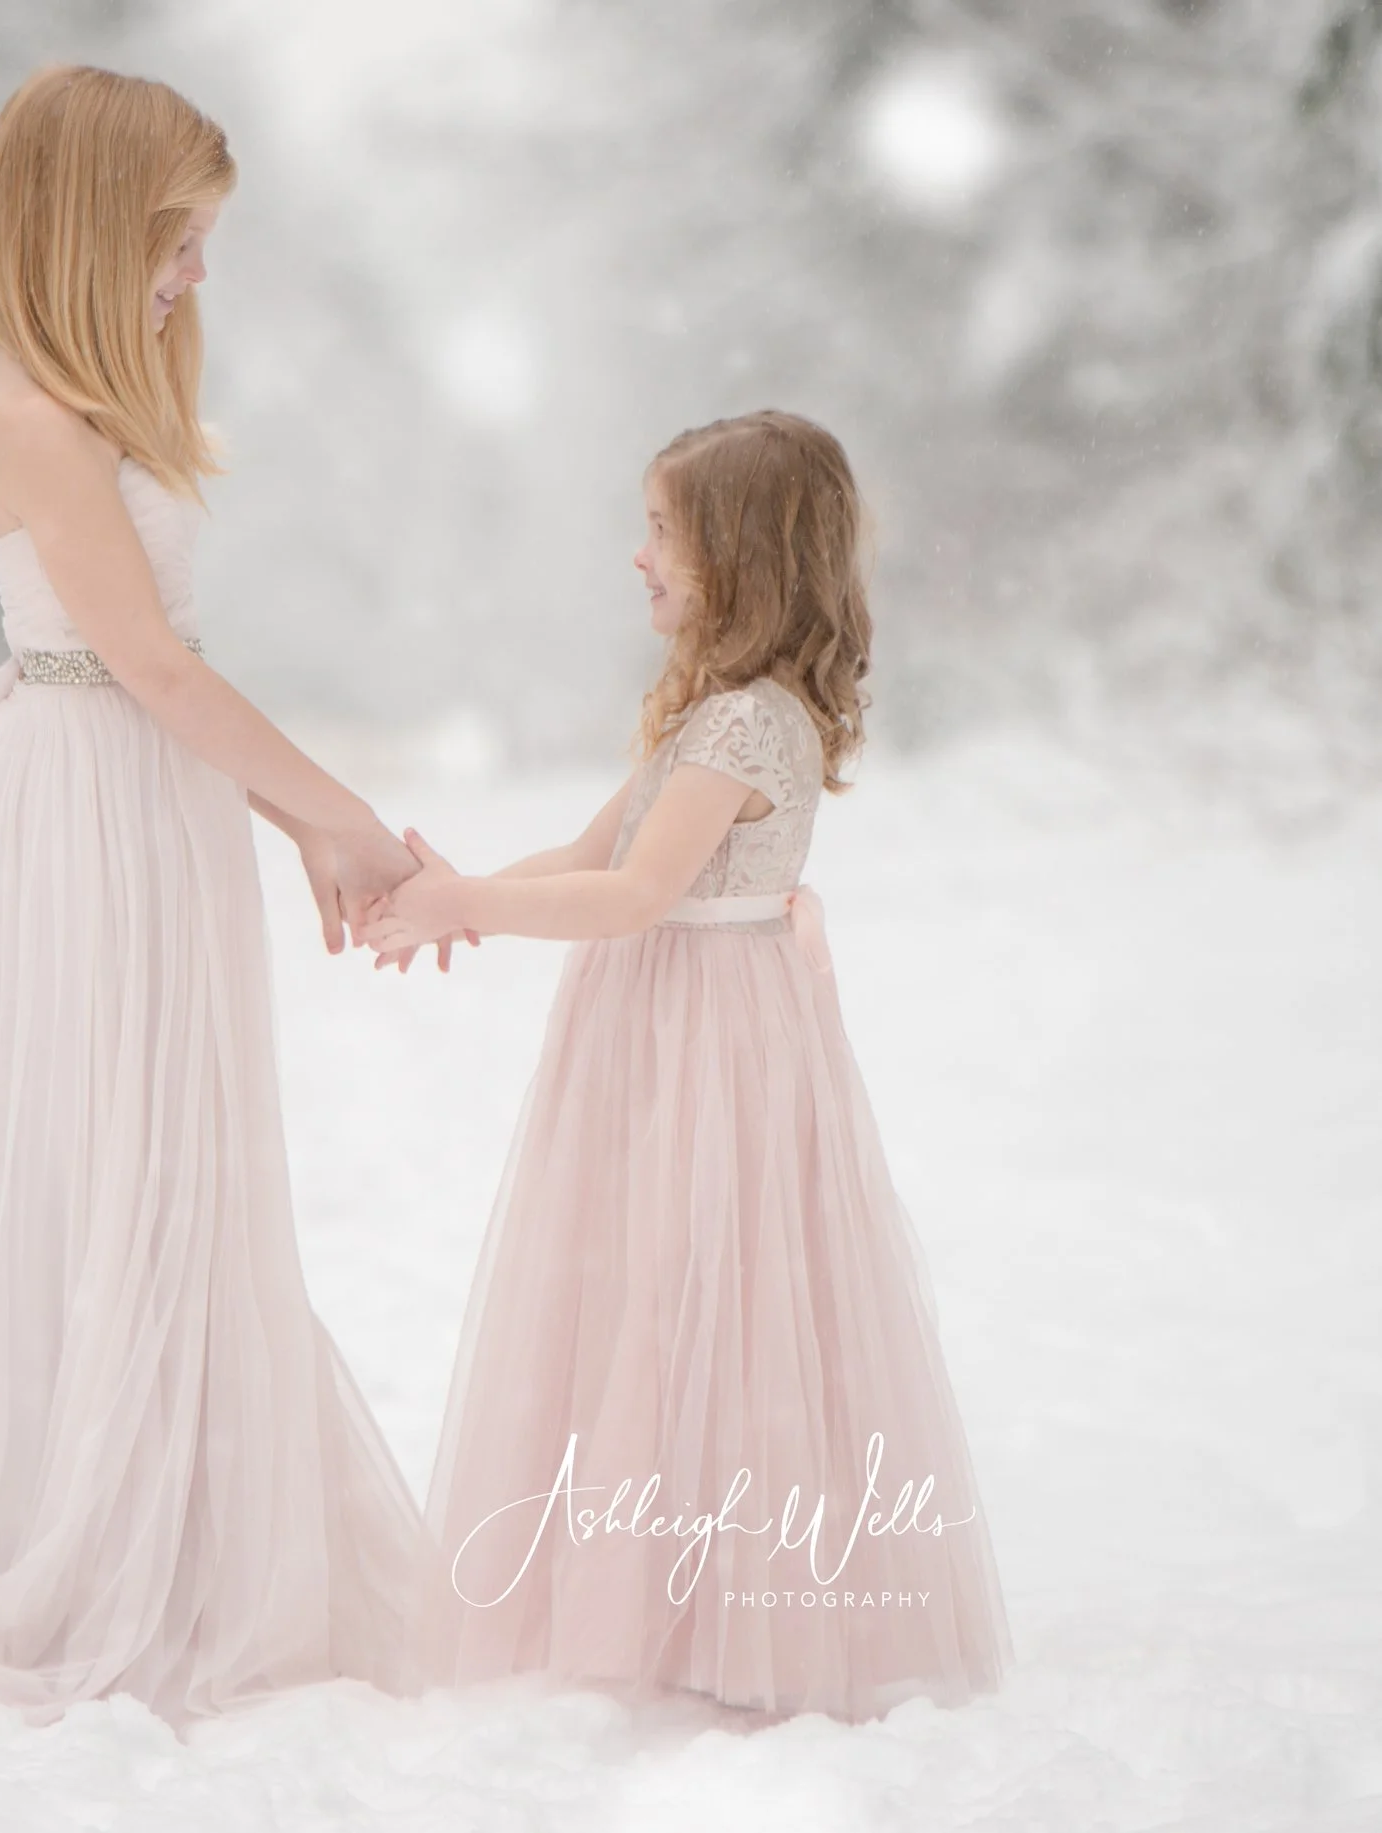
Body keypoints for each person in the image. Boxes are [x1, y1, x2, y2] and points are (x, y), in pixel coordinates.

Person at [0, 64, 449, 1731]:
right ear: (88, 229)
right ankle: (117, 1535)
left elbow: (168, 670)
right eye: (175, 238)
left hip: (144, 789)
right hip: (82, 803)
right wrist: (342, 814)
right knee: (120, 1153)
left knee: (175, 1147)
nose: (196, 275)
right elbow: (144, 667)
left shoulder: (77, 403)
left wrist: (291, 823)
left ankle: (187, 1516)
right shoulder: (27, 414)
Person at [363, 410, 1013, 1721]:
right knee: (650, 1281)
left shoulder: (745, 731)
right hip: (662, 1029)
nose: (638, 555)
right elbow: (589, 859)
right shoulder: (709, 717)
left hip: (708, 1036)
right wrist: (450, 897)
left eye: (661, 530)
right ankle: (657, 1583)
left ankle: (720, 1595)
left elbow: (636, 895)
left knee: (704, 1286)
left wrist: (466, 906)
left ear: (740, 555)